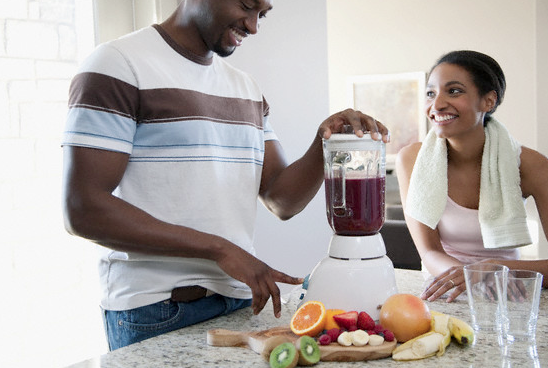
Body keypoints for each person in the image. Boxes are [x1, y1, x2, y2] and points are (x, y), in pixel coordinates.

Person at [61, 0, 388, 351]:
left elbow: (282, 199)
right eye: (247, 7)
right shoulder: (118, 64)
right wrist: (220, 249)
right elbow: (83, 209)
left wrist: (323, 140)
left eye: (262, 14)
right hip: (155, 311)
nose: (253, 27)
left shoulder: (245, 88)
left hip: (239, 304)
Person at [395, 50, 548, 303]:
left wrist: (497, 269)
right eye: (431, 93)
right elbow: (429, 251)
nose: (437, 104)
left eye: (454, 91)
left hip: (507, 292)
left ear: (488, 101)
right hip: (444, 292)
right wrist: (472, 274)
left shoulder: (532, 165)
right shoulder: (411, 159)